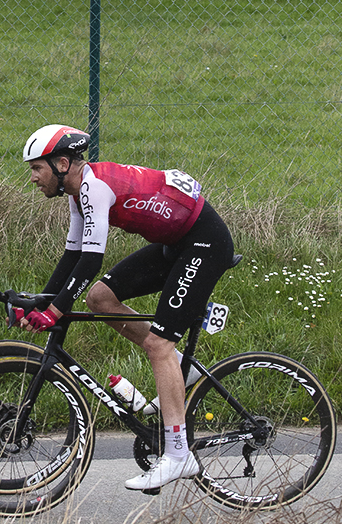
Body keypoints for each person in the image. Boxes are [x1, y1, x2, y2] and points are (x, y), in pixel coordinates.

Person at [19, 124, 235, 492]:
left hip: (203, 243)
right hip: (175, 244)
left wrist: (55, 311)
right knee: (99, 299)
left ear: (61, 163)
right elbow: (72, 256)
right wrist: (41, 302)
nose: (34, 178)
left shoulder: (94, 188)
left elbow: (91, 261)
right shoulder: (78, 192)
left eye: (37, 169)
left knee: (157, 345)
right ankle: (186, 369)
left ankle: (179, 454)